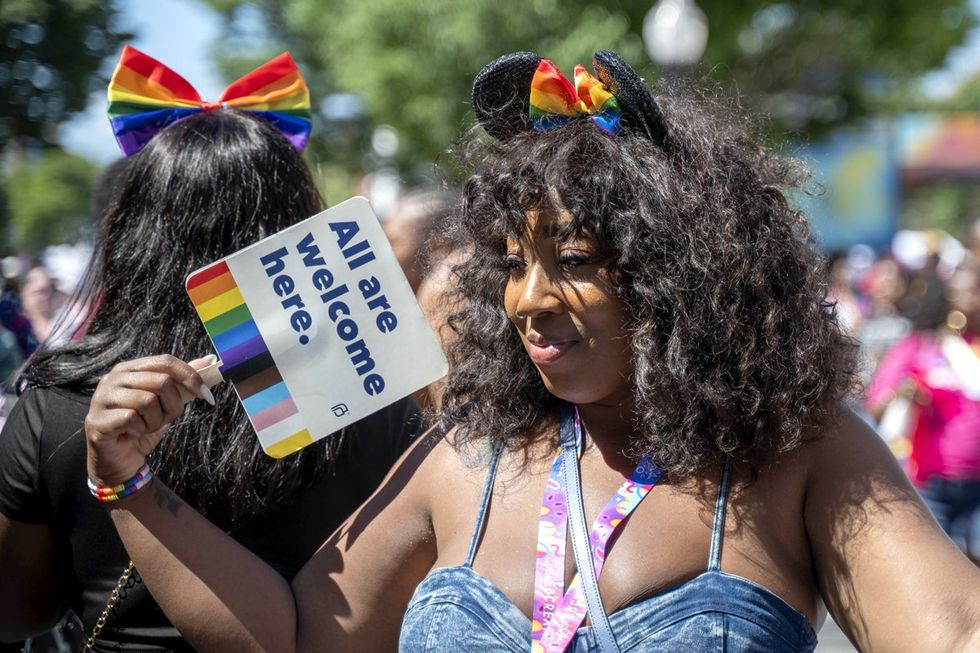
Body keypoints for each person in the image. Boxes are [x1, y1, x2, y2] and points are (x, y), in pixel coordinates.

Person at [82, 50, 980, 652]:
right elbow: (293, 636)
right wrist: (127, 479)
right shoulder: (462, 457)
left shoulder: (798, 452)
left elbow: (952, 628)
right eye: (513, 263)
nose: (529, 299)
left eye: (576, 261)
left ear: (682, 272)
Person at [0, 47, 419, 651]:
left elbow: (18, 613)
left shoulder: (59, 408)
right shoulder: (379, 393)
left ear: (129, 232)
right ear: (301, 225)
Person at [866, 259, 980, 563]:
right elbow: (875, 409)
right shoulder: (917, 347)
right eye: (967, 292)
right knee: (946, 571)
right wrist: (903, 394)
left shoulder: (973, 347)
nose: (973, 299)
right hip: (932, 487)